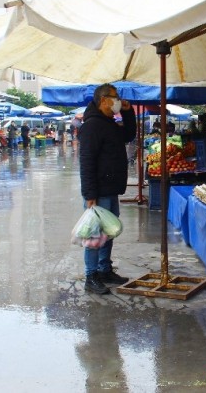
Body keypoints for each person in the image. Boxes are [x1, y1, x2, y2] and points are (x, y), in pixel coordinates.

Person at [79, 84, 136, 295]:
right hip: (98, 191)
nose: (118, 100)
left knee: (108, 232)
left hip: (111, 188)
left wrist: (128, 112)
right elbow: (86, 161)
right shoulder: (92, 126)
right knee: (95, 235)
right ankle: (91, 275)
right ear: (104, 100)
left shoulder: (109, 122)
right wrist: (90, 194)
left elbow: (128, 135)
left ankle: (104, 269)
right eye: (115, 97)